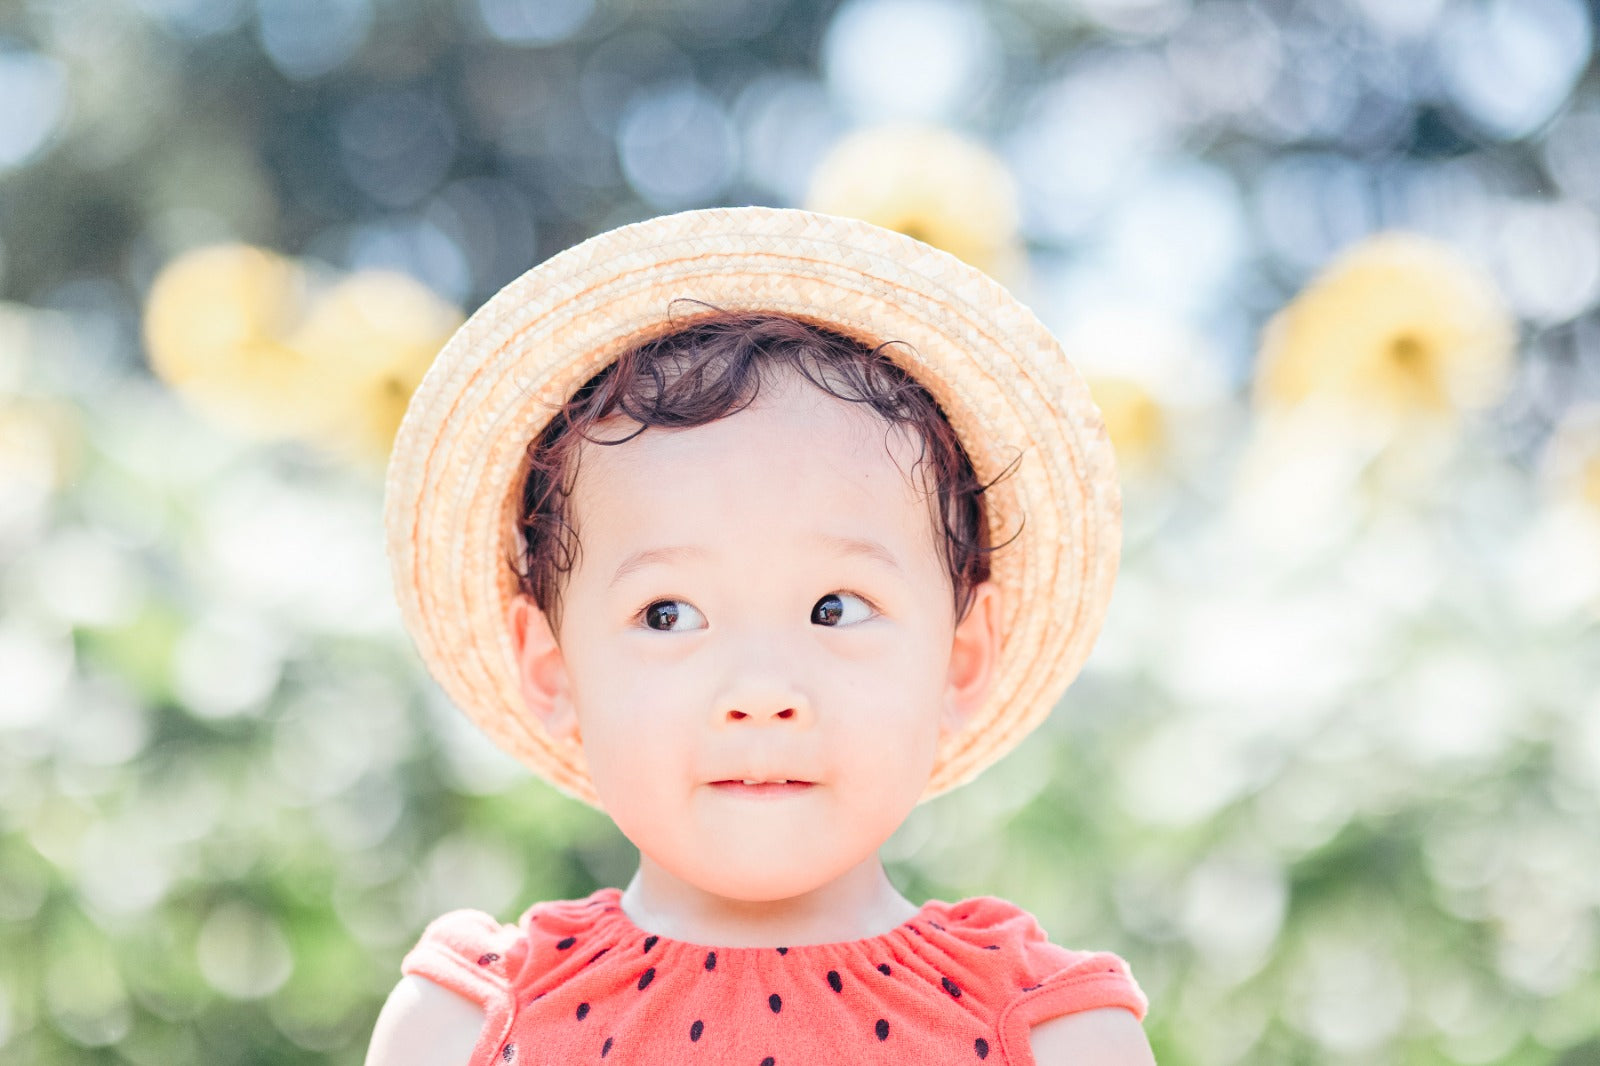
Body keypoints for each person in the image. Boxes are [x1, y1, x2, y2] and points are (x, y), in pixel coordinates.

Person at [366, 207, 1156, 1065]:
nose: (762, 691)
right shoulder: (464, 1027)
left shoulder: (1057, 1034)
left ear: (959, 661)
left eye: (835, 608)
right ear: (553, 672)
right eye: (668, 614)